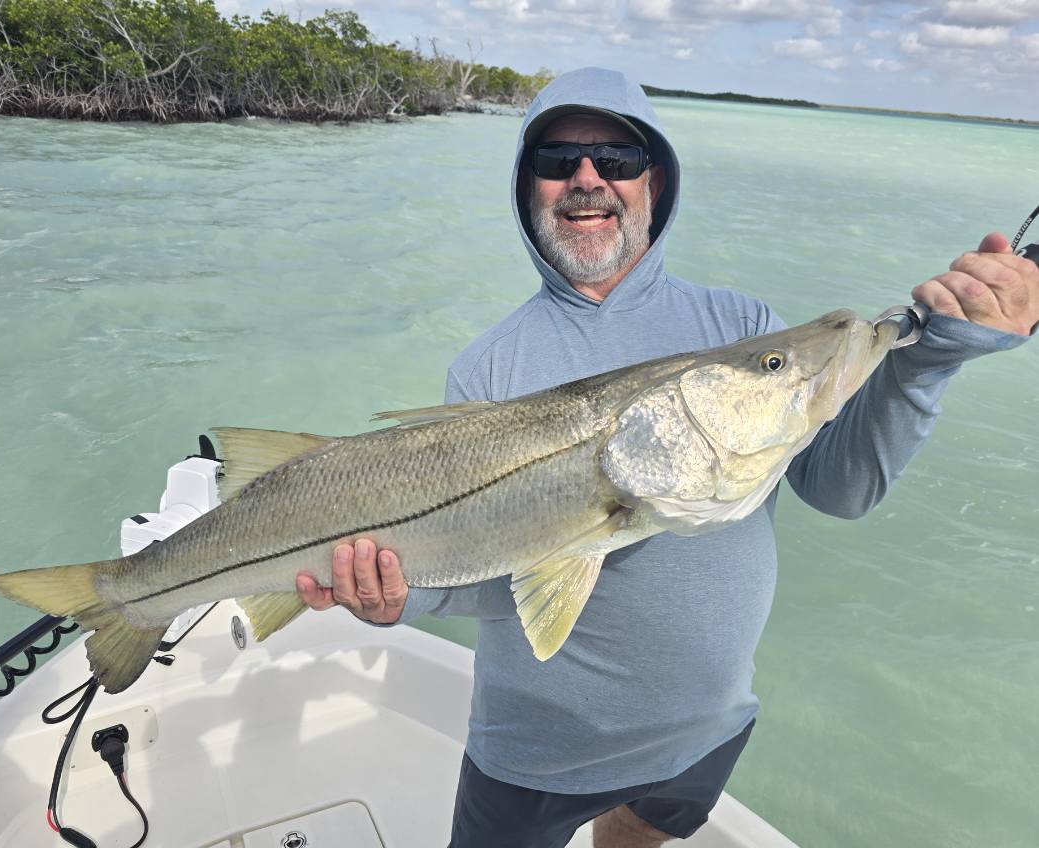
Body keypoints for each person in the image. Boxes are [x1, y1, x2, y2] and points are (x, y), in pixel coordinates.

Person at [295, 67, 1038, 847]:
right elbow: (486, 572)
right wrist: (395, 598)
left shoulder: (739, 322)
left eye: (615, 157)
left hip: (706, 729)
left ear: (653, 180)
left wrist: (926, 362)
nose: (587, 180)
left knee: (640, 835)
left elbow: (840, 489)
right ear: (527, 186)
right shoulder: (490, 369)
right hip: (537, 749)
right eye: (557, 160)